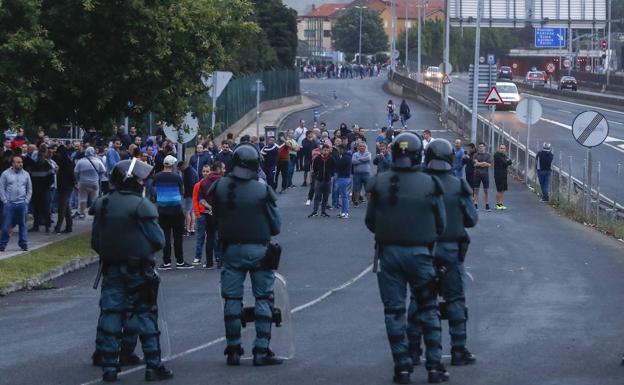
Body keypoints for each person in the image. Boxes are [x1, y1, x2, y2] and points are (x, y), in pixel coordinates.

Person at [364, 132, 448, 384]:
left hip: (388, 255)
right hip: (421, 254)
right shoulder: (431, 184)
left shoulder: (379, 182)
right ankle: (434, 367)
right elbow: (441, 224)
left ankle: (401, 367)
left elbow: (370, 221)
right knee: (428, 310)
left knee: (394, 312)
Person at [90, 159, 173, 382]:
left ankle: (109, 365)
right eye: (139, 178)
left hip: (111, 268)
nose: (142, 181)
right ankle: (153, 366)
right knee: (145, 314)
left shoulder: (103, 203)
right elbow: (158, 240)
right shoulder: (140, 205)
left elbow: (96, 241)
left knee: (111, 313)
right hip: (138, 271)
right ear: (130, 180)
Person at [207, 143, 283, 366]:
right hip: (259, 250)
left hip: (230, 250)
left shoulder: (219, 187)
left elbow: (216, 218)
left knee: (232, 299)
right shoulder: (261, 190)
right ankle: (261, 350)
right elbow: (276, 225)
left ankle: (233, 350)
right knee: (263, 298)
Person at [408, 139, 479, 369]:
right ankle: (458, 350)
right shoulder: (459, 185)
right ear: (450, 158)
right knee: (456, 299)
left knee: (419, 300)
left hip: (422, 250)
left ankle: (413, 351)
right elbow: (471, 219)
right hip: (451, 251)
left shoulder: (416, 183)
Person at [151, 155, 193, 270]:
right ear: (173, 165)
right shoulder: (177, 177)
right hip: (176, 210)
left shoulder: (157, 177)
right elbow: (182, 191)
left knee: (166, 236)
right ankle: (180, 261)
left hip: (162, 210)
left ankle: (166, 262)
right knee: (178, 236)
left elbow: (153, 192)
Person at [194, 162, 224, 269]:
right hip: (221, 214)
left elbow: (200, 199)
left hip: (208, 213)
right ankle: (221, 261)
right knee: (221, 237)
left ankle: (209, 262)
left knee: (210, 237)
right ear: (219, 169)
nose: (224, 170)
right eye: (223, 168)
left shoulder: (204, 181)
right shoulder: (223, 181)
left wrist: (209, 207)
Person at [0, 155, 32, 251]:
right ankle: (2, 244)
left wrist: (26, 201)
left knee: (23, 225)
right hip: (9, 204)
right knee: (6, 226)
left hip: (22, 203)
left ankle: (23, 243)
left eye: (21, 162)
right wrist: (5, 201)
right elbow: (1, 188)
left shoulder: (26, 174)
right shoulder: (5, 174)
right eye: (18, 162)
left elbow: (29, 189)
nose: (20, 164)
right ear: (13, 163)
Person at [74, 147, 106, 219]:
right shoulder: (97, 161)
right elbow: (103, 170)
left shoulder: (81, 161)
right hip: (94, 182)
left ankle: (82, 214)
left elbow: (75, 172)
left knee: (82, 198)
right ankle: (95, 214)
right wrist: (98, 176)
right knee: (95, 199)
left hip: (83, 183)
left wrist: (77, 180)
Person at [29, 144, 54, 233]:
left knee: (45, 209)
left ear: (44, 156)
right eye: (39, 156)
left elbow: (51, 179)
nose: (40, 158)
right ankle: (36, 226)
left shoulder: (48, 166)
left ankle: (47, 225)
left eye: (41, 156)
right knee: (36, 209)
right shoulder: (34, 166)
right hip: (36, 191)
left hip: (45, 191)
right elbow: (30, 178)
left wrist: (45, 187)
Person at [308, 144, 335, 218]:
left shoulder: (331, 158)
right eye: (324, 150)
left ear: (329, 151)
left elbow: (333, 168)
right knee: (317, 196)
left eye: (327, 150)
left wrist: (330, 175)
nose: (326, 151)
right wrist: (317, 174)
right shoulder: (317, 158)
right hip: (319, 180)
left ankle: (323, 211)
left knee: (326, 196)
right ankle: (315, 211)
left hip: (327, 180)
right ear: (322, 150)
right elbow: (315, 168)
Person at [53, 145, 76, 234]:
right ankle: (69, 226)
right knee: (65, 207)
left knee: (62, 207)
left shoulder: (65, 163)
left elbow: (70, 175)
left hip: (64, 186)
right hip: (66, 186)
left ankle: (58, 226)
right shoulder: (67, 162)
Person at [333, 142, 352, 218]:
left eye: (338, 149)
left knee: (344, 196)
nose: (338, 151)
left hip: (343, 177)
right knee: (344, 196)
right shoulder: (345, 156)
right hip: (344, 177)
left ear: (342, 149)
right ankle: (343, 211)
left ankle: (345, 213)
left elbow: (338, 165)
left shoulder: (345, 157)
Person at [179, 161, 199, 235]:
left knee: (187, 212)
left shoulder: (188, 172)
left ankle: (187, 230)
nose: (180, 170)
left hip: (190, 195)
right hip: (194, 195)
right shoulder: (192, 170)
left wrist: (185, 193)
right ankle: (192, 229)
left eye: (180, 168)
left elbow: (190, 184)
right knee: (192, 212)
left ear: (183, 166)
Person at [472, 143, 492, 211]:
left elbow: (489, 165)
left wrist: (479, 163)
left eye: (482, 146)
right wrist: (484, 163)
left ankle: (487, 205)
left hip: (485, 174)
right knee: (476, 190)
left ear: (485, 147)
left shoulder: (488, 155)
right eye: (479, 147)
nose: (480, 148)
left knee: (486, 190)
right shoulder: (475, 154)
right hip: (477, 174)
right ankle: (475, 204)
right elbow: (475, 164)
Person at [351, 142, 372, 206]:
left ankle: (370, 202)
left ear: (365, 147)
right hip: (357, 174)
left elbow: (368, 158)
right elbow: (353, 162)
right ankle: (356, 201)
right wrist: (363, 160)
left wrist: (359, 159)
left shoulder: (368, 153)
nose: (362, 147)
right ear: (358, 147)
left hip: (366, 173)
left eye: (363, 146)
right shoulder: (355, 154)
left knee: (368, 188)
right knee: (357, 188)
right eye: (360, 146)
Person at [493, 144, 513, 210]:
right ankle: (497, 204)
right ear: (498, 148)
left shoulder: (504, 155)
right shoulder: (497, 155)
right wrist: (507, 161)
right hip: (498, 175)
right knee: (499, 190)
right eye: (501, 148)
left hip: (504, 174)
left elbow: (510, 162)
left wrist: (508, 161)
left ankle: (501, 204)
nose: (502, 149)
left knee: (503, 190)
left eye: (503, 148)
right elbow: (505, 162)